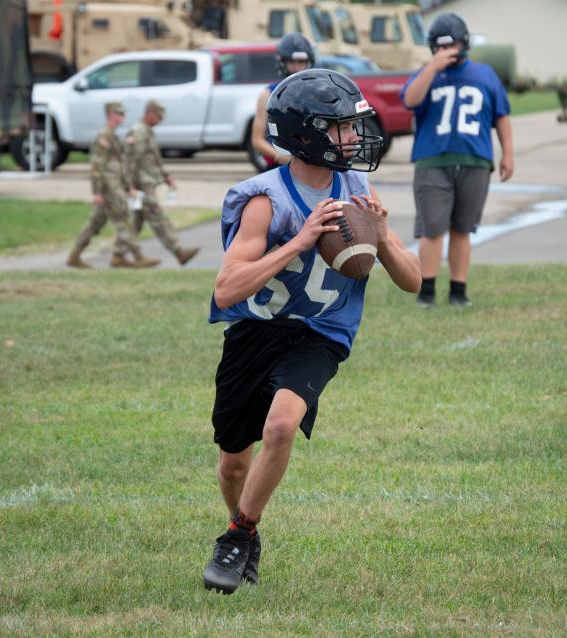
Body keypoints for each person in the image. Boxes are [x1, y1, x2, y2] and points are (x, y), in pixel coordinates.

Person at [202, 69, 421, 594]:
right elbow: (228, 289)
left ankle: (236, 534)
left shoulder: (358, 187)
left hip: (321, 332)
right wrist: (298, 241)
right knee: (233, 463)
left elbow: (412, 281)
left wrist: (384, 237)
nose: (353, 137)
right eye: (341, 127)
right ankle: (245, 534)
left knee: (281, 425)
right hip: (255, 331)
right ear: (305, 133)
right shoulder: (264, 199)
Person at [399, 12, 514, 307]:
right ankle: (426, 291)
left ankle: (458, 291)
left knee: (463, 228)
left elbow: (501, 115)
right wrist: (432, 68)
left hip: (475, 160)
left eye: (451, 46)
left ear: (464, 44)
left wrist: (508, 153)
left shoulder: (485, 74)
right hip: (432, 161)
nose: (446, 52)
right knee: (432, 227)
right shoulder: (427, 74)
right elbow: (410, 100)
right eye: (440, 47)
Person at [66, 101, 160, 269]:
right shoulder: (104, 136)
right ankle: (138, 256)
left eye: (123, 114)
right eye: (119, 114)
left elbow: (117, 165)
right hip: (109, 187)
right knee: (125, 219)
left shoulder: (112, 136)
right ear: (110, 114)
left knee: (95, 223)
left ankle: (75, 255)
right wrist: (97, 191)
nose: (122, 117)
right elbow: (97, 165)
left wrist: (127, 186)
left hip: (114, 185)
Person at [123, 99, 200, 266]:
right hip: (141, 187)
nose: (160, 120)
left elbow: (153, 159)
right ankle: (179, 252)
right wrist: (129, 187)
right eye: (158, 116)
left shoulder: (146, 131)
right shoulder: (137, 132)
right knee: (158, 218)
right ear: (149, 113)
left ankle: (118, 254)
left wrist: (166, 177)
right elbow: (129, 162)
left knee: (136, 221)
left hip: (146, 184)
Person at [250, 32, 316, 169]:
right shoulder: (268, 94)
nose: (297, 67)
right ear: (283, 62)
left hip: (311, 165)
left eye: (301, 62)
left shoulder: (315, 93)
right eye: (292, 62)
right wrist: (278, 155)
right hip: (279, 167)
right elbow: (257, 139)